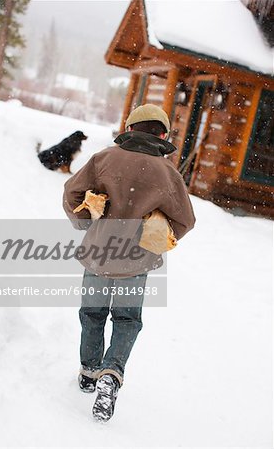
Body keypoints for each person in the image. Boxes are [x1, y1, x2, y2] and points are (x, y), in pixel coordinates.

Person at [63, 104, 196, 422]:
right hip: (137, 261)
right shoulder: (168, 174)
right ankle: (112, 373)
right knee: (126, 319)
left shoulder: (104, 159)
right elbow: (186, 220)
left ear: (129, 128)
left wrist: (86, 222)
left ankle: (89, 371)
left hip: (98, 252)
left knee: (92, 313)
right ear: (162, 135)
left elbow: (72, 193)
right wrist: (158, 236)